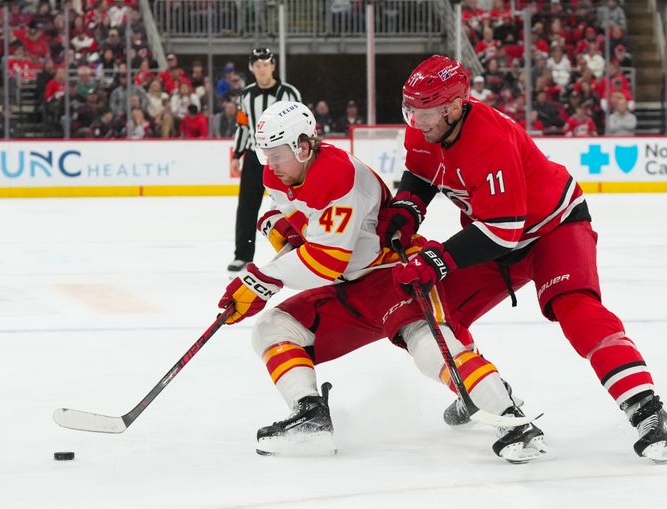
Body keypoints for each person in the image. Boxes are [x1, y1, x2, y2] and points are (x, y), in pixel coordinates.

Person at [377, 55, 667, 463]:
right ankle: (483, 391)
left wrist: (438, 259)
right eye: (410, 110)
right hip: (496, 235)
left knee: (575, 307)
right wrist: (407, 208)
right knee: (427, 312)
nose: (415, 121)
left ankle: (650, 413)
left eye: (424, 112)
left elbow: (504, 228)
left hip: (552, 227)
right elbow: (422, 175)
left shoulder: (489, 139)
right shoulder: (423, 130)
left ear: (454, 107)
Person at [217, 101, 548, 461]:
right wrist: (281, 227)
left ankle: (513, 420)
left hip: (391, 276)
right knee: (271, 328)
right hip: (347, 289)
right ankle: (310, 418)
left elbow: (327, 260)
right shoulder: (277, 173)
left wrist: (261, 281)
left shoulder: (337, 174)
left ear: (303, 145)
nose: (271, 165)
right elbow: (292, 217)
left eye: (277, 154)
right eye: (266, 154)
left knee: (428, 348)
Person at [228, 48, 302, 273]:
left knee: (291, 204)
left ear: (273, 66)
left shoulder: (290, 93)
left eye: (265, 64)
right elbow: (242, 127)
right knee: (247, 207)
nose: (262, 69)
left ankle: (299, 249)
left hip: (284, 158)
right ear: (252, 69)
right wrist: (237, 154)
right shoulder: (246, 96)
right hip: (253, 157)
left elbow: (302, 121)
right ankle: (242, 256)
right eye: (257, 65)